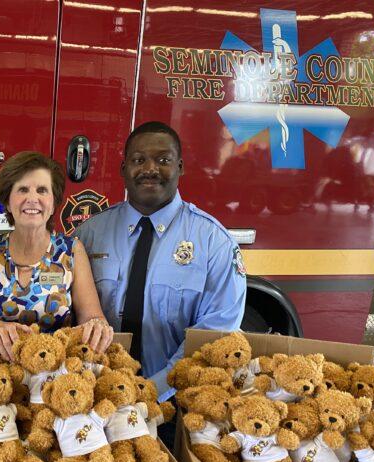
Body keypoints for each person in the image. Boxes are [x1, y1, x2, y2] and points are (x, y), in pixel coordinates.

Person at [75, 121, 246, 398]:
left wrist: (155, 390)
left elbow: (216, 332)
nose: (150, 169)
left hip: (177, 401)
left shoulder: (213, 241)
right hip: (96, 396)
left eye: (163, 160)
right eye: (138, 160)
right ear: (123, 169)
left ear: (180, 167)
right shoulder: (88, 235)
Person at [0, 151, 113, 362]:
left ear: (53, 203)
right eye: (22, 189)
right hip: (2, 368)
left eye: (42, 190)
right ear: (7, 201)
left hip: (59, 370)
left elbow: (92, 316)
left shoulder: (72, 250)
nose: (32, 199)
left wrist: (97, 325)